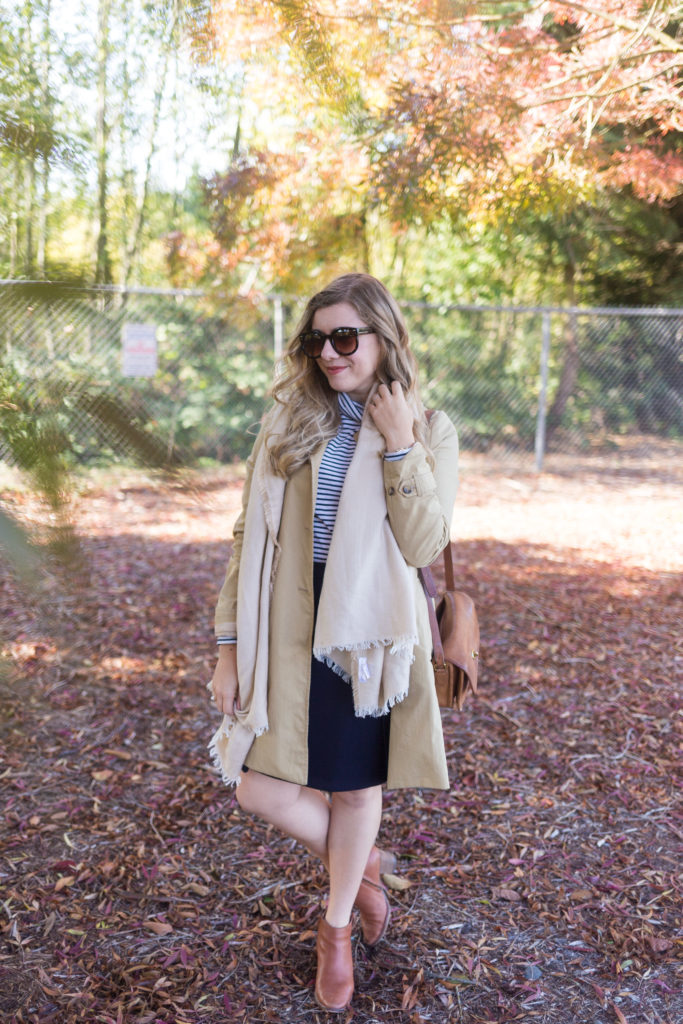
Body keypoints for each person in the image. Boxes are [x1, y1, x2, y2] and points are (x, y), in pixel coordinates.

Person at [209, 272, 459, 1012]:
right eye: (316, 339)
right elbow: (241, 537)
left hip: (364, 641)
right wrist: (226, 647)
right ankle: (364, 864)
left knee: (354, 789)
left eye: (344, 337)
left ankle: (337, 924)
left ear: (384, 339)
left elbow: (422, 544)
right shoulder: (289, 421)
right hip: (282, 631)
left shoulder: (429, 428)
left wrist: (397, 442)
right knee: (260, 786)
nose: (328, 352)